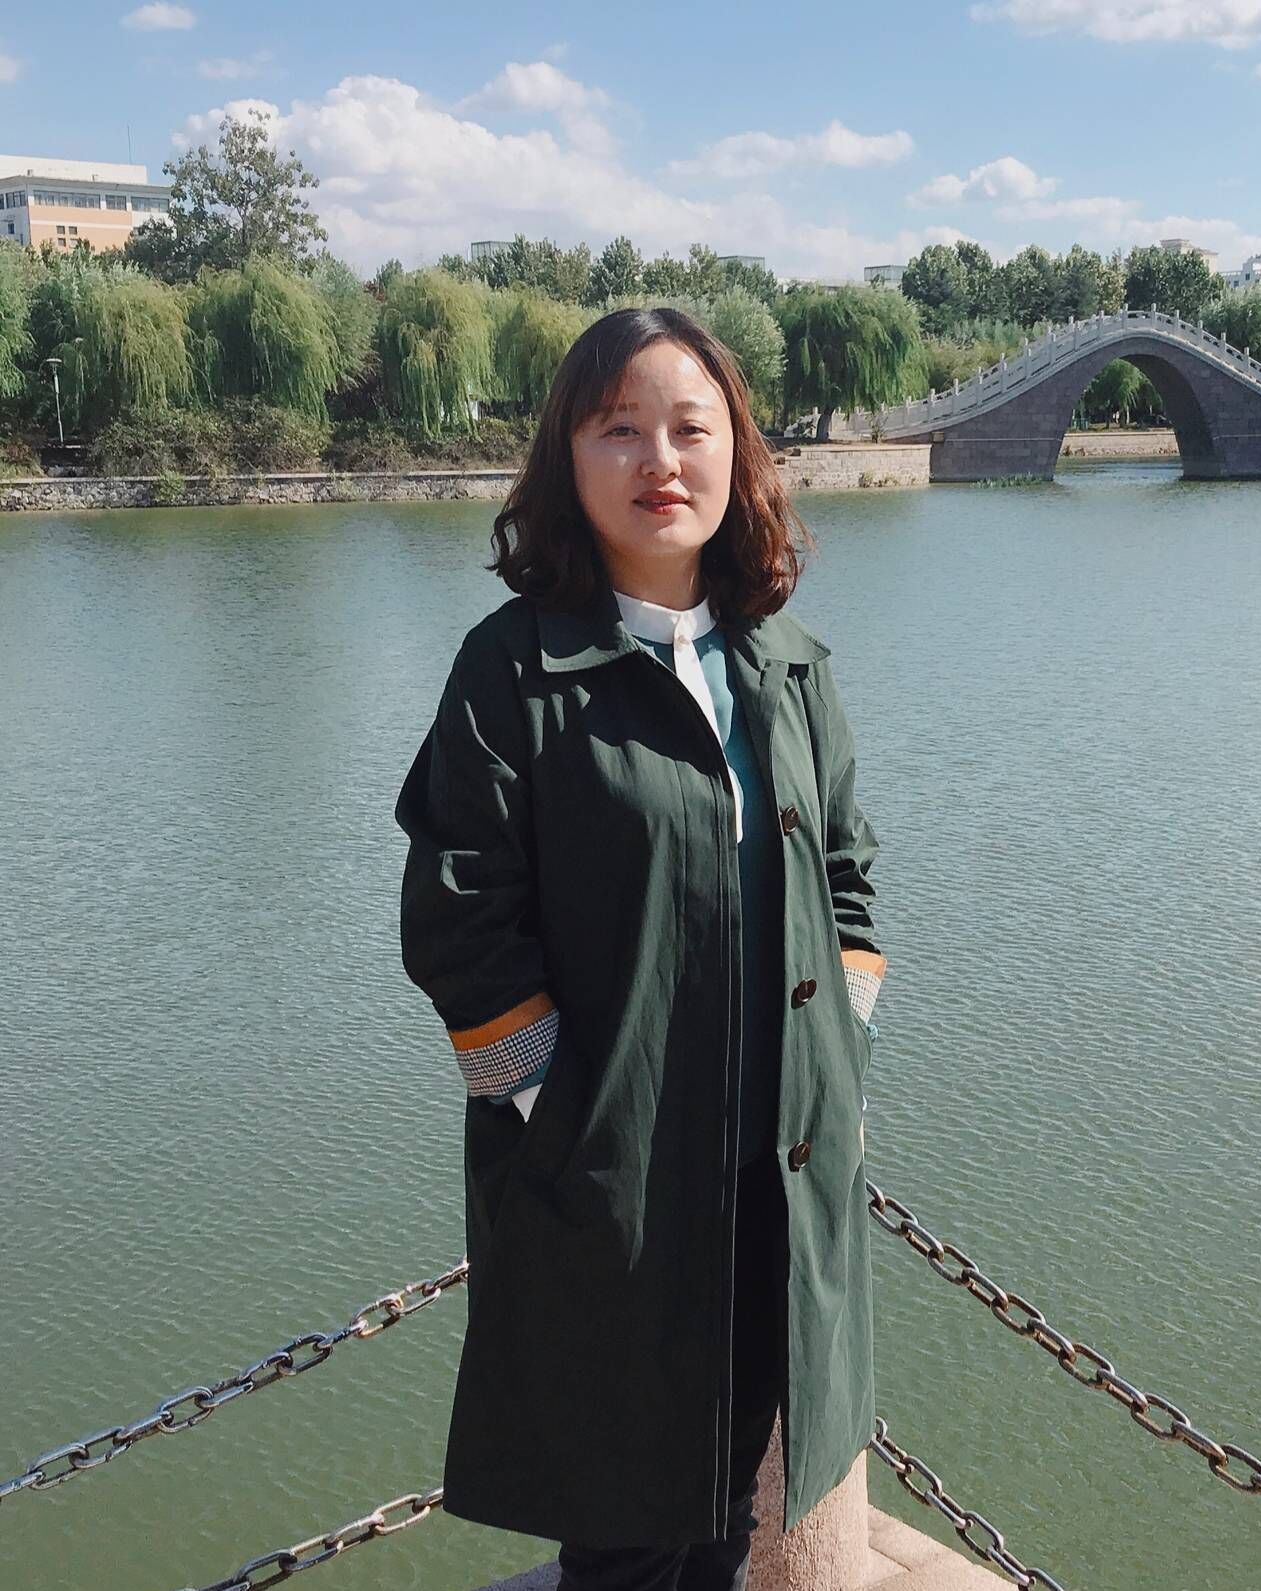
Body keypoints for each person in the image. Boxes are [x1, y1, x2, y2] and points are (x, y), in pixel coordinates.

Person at [395, 307, 885, 1591]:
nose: (660, 460)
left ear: (738, 455)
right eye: (619, 429)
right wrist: (564, 1111)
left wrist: (832, 1054)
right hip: (611, 1183)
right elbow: (459, 910)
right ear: (568, 459)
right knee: (622, 1527)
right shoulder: (514, 670)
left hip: (773, 1170)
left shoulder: (785, 661)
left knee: (728, 1508)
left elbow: (845, 874)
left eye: (690, 428)